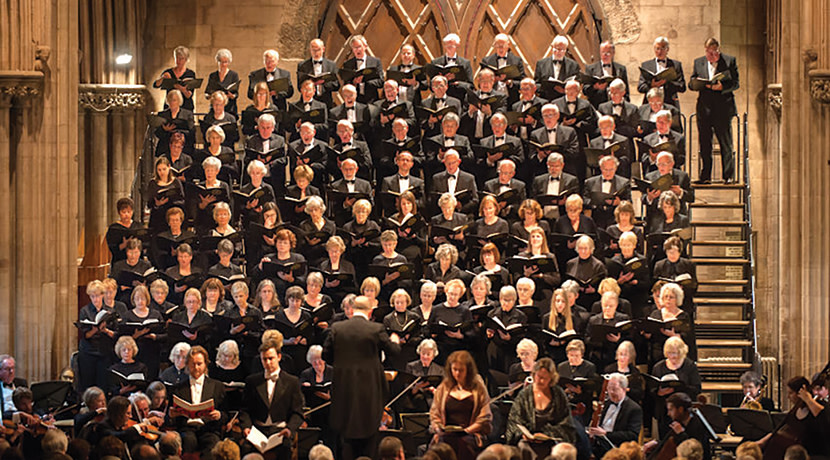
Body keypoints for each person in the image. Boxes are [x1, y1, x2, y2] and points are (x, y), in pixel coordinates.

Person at [323, 295, 401, 460]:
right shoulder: (376, 329)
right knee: (369, 441)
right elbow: (394, 352)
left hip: (344, 392)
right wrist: (395, 341)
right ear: (370, 311)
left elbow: (326, 356)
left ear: (352, 309)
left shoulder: (337, 328)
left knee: (345, 442)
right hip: (369, 393)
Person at [240, 337, 305, 460]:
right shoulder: (252, 381)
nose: (268, 362)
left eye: (271, 358)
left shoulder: (292, 382)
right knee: (246, 449)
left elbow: (298, 412)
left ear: (279, 357)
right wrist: (246, 427)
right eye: (264, 359)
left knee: (285, 449)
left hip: (280, 431)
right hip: (258, 431)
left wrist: (289, 429)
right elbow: (245, 410)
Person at [690, 38, 740, 184]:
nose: (711, 55)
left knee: (726, 143)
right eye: (708, 52)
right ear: (705, 50)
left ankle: (728, 176)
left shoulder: (729, 61)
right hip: (704, 108)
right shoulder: (698, 62)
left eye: (714, 52)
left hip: (723, 108)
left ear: (718, 49)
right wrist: (698, 84)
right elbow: (692, 82)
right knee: (705, 143)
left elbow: (736, 83)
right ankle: (705, 176)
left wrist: (722, 88)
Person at [505, 358, 576, 459]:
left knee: (561, 450)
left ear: (551, 378)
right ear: (534, 374)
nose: (541, 381)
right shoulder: (524, 394)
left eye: (545, 378)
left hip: (551, 440)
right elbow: (514, 420)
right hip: (528, 441)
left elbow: (566, 423)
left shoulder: (558, 394)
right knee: (523, 447)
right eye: (539, 376)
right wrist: (523, 434)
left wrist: (547, 434)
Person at [430, 350, 491, 460]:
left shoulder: (478, 388)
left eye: (461, 370)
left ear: (468, 370)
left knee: (463, 443)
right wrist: (438, 428)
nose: (457, 373)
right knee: (442, 445)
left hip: (470, 434)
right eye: (455, 370)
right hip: (446, 434)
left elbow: (484, 418)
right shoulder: (444, 387)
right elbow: (435, 414)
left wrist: (466, 431)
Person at [168, 345, 226, 455]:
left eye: (199, 364)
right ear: (187, 365)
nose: (196, 367)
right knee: (188, 440)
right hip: (187, 429)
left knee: (212, 443)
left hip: (209, 429)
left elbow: (226, 414)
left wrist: (219, 415)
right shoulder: (178, 388)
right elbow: (169, 418)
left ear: (205, 364)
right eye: (192, 364)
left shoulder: (217, 386)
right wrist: (171, 415)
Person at [651, 337, 701, 439]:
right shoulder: (658, 367)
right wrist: (659, 392)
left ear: (682, 352)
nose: (673, 356)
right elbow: (651, 390)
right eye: (670, 353)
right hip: (665, 412)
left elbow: (697, 389)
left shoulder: (689, 366)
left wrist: (679, 388)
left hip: (683, 412)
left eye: (676, 353)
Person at [587, 373, 643, 457]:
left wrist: (606, 434)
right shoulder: (606, 403)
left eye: (614, 389)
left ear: (624, 389)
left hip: (617, 449)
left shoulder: (634, 409)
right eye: (609, 388)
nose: (611, 392)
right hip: (599, 445)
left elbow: (633, 434)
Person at [643, 393, 711, 460]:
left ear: (680, 409)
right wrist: (656, 443)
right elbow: (667, 443)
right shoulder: (679, 423)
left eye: (671, 410)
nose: (668, 414)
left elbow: (694, 452)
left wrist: (681, 434)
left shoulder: (697, 425)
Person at [529, 104, 581, 184]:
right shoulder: (535, 134)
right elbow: (531, 157)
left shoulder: (570, 132)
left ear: (557, 116)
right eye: (545, 116)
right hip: (543, 173)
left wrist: (557, 155)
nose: (548, 118)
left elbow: (575, 152)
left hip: (566, 172)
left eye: (550, 115)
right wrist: (540, 156)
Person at [637, 37, 686, 111]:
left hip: (670, 103)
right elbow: (640, 87)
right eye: (657, 48)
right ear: (654, 49)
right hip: (650, 104)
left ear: (667, 49)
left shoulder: (676, 65)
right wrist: (652, 85)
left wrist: (666, 83)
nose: (659, 51)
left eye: (662, 48)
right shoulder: (646, 65)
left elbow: (682, 87)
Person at [583, 41, 629, 108]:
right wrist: (596, 87)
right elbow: (585, 90)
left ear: (613, 53)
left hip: (617, 106)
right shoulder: (591, 69)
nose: (605, 55)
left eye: (608, 52)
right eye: (603, 52)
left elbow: (626, 91)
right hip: (597, 106)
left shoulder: (621, 69)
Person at [297, 39, 340, 108]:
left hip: (325, 100)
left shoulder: (331, 65)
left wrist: (323, 82)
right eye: (313, 50)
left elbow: (336, 85)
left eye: (318, 50)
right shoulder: (302, 65)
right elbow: (299, 87)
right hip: (308, 101)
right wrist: (310, 84)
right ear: (310, 50)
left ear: (323, 49)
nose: (316, 53)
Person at [430, 33, 474, 101]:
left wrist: (458, 83)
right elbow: (430, 85)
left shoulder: (465, 63)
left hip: (459, 98)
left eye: (451, 46)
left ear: (457, 46)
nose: (448, 48)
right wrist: (442, 80)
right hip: (440, 97)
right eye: (446, 45)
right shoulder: (436, 62)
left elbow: (471, 85)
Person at [341, 35, 385, 104]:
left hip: (372, 100)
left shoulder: (375, 62)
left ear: (365, 46)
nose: (357, 50)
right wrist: (354, 82)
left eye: (359, 47)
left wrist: (365, 80)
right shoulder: (348, 64)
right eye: (354, 48)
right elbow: (346, 84)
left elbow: (381, 81)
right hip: (356, 100)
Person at [534, 35, 581, 100]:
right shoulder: (541, 64)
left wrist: (565, 90)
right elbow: (536, 84)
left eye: (563, 49)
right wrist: (549, 88)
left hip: (565, 100)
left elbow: (577, 84)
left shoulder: (573, 65)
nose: (560, 52)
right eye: (558, 49)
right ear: (552, 47)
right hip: (546, 99)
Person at [153, 46, 197, 111]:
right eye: (177, 58)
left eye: (181, 59)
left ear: (186, 59)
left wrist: (181, 89)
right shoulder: (169, 72)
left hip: (185, 107)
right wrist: (162, 78)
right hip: (170, 106)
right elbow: (155, 85)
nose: (178, 61)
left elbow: (189, 95)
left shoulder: (190, 74)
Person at [204, 48, 240, 115]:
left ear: (229, 62)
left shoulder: (234, 75)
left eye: (225, 62)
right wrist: (209, 96)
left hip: (230, 108)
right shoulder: (213, 75)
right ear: (217, 62)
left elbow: (236, 94)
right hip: (215, 108)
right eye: (221, 62)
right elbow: (207, 92)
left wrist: (232, 96)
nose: (223, 64)